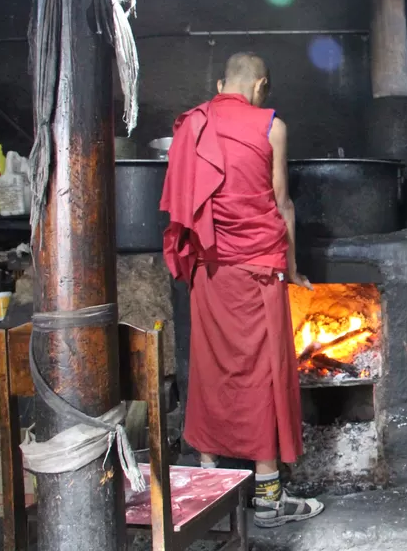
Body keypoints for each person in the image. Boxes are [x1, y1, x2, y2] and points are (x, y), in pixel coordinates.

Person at [160, 52, 323, 527]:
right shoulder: (271, 126)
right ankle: (269, 497)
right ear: (260, 86)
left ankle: (208, 487)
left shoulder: (192, 126)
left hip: (211, 270)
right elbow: (282, 202)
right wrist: (293, 268)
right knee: (263, 374)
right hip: (258, 268)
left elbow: (185, 201)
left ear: (220, 83)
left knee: (210, 369)